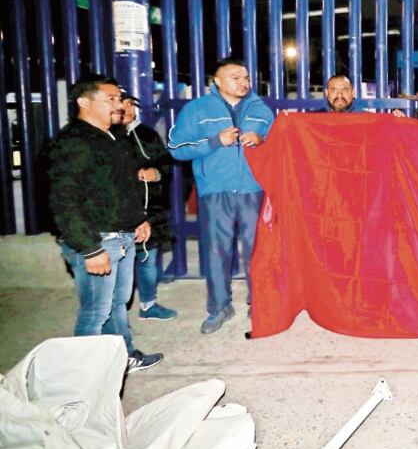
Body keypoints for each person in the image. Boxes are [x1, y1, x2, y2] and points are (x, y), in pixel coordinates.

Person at [46, 76, 164, 372]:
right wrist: (89, 249)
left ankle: (124, 356)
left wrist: (139, 220)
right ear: (84, 102)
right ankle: (82, 378)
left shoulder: (115, 137)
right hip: (98, 240)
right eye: (110, 98)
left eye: (118, 98)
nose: (118, 104)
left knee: (117, 304)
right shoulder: (72, 142)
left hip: (122, 234)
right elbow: (64, 201)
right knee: (96, 310)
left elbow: (123, 187)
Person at [168, 59, 275, 334]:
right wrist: (216, 141)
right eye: (235, 77)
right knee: (217, 252)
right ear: (216, 81)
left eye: (246, 77)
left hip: (254, 190)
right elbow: (176, 148)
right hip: (216, 192)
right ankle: (219, 307)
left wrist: (263, 141)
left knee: (258, 251)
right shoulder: (197, 110)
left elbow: (279, 146)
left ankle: (260, 302)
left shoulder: (261, 110)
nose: (244, 82)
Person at [117, 92, 177, 321]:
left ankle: (148, 304)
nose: (129, 109)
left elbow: (166, 164)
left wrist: (157, 173)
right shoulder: (106, 138)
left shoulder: (147, 135)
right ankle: (115, 312)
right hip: (119, 213)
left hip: (150, 210)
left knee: (148, 259)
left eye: (131, 104)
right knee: (119, 265)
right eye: (123, 105)